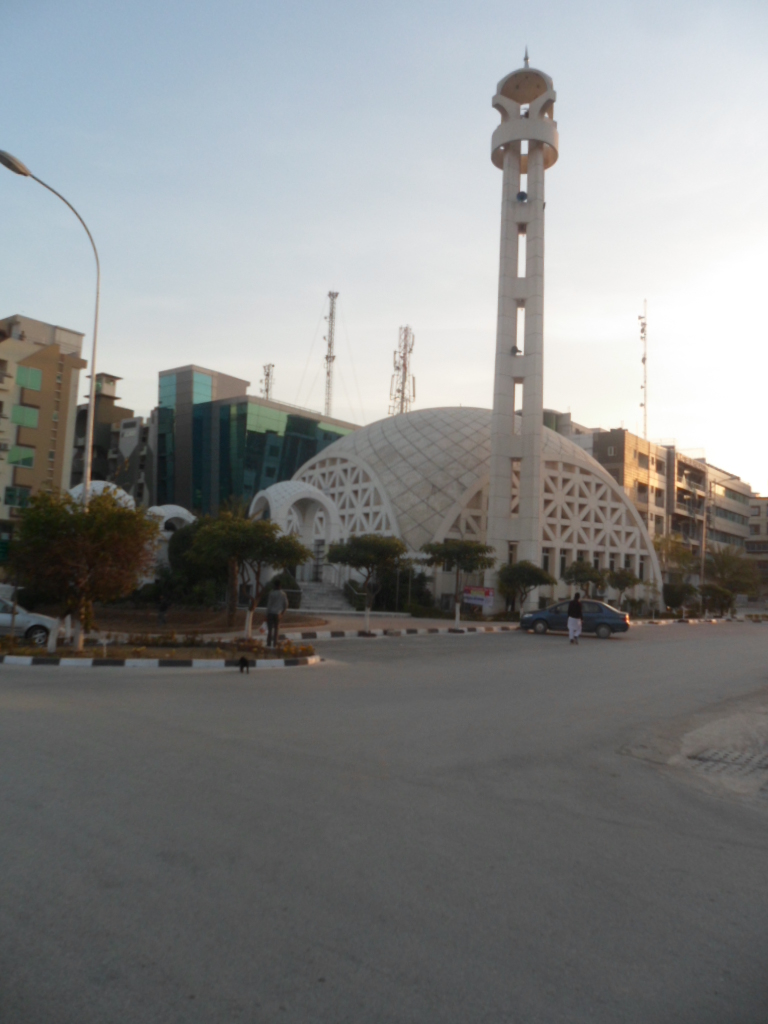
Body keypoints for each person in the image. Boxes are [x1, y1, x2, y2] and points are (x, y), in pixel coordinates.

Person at [266, 578, 288, 647]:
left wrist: (266, 614)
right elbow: (286, 604)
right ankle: (275, 644)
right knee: (276, 630)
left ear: (274, 585)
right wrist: (282, 613)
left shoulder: (271, 593)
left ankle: (268, 644)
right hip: (278, 614)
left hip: (270, 613)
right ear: (280, 586)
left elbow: (269, 605)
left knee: (269, 630)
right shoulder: (283, 594)